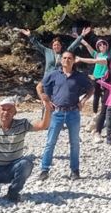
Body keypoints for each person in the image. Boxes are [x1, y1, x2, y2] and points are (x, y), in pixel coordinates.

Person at [35, 52, 94, 180]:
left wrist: (83, 100)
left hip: (73, 112)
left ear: (74, 61)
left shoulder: (79, 76)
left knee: (74, 143)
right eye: (64, 58)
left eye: (69, 58)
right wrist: (44, 98)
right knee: (50, 142)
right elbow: (39, 86)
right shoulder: (54, 74)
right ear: (61, 60)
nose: (66, 60)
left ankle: (74, 170)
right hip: (57, 113)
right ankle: (44, 170)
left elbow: (91, 88)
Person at [19, 27, 86, 80]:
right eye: (54, 45)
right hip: (48, 77)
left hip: (59, 77)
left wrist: (81, 36)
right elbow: (37, 44)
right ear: (52, 46)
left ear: (61, 46)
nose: (56, 46)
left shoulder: (64, 53)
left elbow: (73, 46)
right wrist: (29, 35)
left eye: (58, 45)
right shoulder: (47, 51)